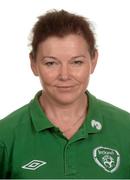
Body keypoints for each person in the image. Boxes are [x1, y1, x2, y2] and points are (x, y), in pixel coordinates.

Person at [0, 9, 130, 179]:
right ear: (33, 64)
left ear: (94, 60)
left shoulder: (126, 129)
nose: (64, 75)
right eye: (51, 63)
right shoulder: (5, 136)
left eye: (76, 62)